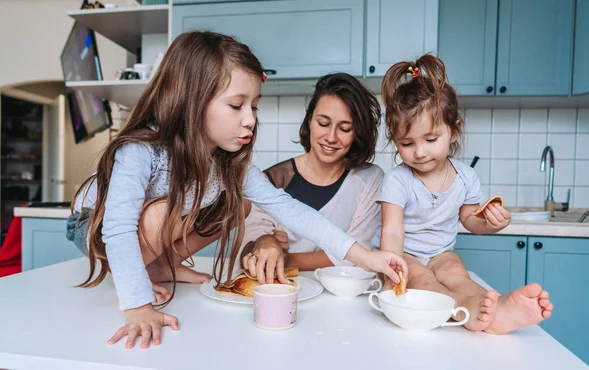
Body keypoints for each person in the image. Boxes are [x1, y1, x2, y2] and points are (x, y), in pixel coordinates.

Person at [66, 31, 404, 349]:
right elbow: (119, 227)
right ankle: (148, 268)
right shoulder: (142, 150)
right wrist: (137, 305)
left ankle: (158, 266)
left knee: (236, 207)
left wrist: (365, 256)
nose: (250, 120)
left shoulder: (228, 163)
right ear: (191, 101)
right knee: (157, 213)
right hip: (95, 224)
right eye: (236, 105)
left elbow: (293, 211)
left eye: (254, 106)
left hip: (143, 231)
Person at [377, 54, 554, 334]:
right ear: (395, 140)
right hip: (405, 255)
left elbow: (470, 219)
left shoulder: (466, 177)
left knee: (457, 274)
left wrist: (492, 223)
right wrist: (391, 271)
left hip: (441, 253)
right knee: (423, 280)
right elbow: (392, 233)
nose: (420, 152)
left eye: (431, 139)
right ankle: (468, 310)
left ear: (454, 131)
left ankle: (493, 308)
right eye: (407, 143)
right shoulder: (397, 180)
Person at [240, 73, 385, 283]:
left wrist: (285, 258)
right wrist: (264, 244)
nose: (331, 137)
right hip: (281, 288)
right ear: (309, 121)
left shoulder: (369, 179)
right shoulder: (272, 180)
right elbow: (250, 248)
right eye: (324, 123)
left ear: (358, 133)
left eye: (345, 128)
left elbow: (357, 255)